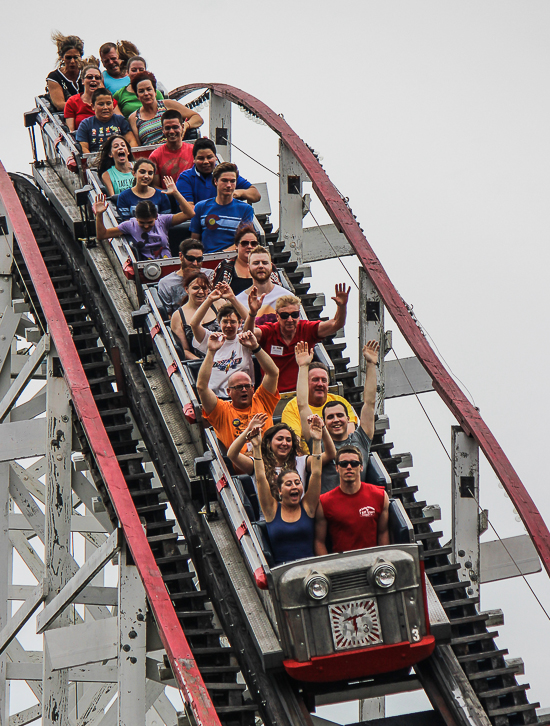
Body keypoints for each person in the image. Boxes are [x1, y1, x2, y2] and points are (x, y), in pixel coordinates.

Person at [295, 341, 379, 493]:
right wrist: (303, 367)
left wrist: (371, 365)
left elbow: (370, 403)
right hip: (328, 509)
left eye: (340, 415)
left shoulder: (360, 439)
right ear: (324, 422)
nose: (336, 420)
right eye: (330, 417)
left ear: (348, 419)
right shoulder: (318, 441)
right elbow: (302, 405)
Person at [244, 285, 350, 393]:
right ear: (277, 316)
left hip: (300, 394)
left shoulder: (306, 329)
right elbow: (249, 334)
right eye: (285, 315)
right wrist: (252, 313)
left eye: (294, 315)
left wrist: (342, 307)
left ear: (299, 315)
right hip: (272, 395)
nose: (290, 320)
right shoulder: (270, 330)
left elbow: (336, 324)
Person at [250, 415, 324, 566]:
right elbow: (260, 479)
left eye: (297, 483)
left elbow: (316, 473)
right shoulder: (271, 510)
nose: (294, 487)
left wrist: (316, 441)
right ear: (279, 490)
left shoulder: (308, 507)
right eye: (289, 484)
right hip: (282, 572)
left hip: (311, 569)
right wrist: (257, 448)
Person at [197, 331, 280, 452]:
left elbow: (273, 373)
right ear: (228, 392)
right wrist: (211, 351)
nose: (244, 390)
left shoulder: (262, 401)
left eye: (247, 386)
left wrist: (255, 347)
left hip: (271, 459)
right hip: (245, 466)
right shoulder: (221, 411)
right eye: (238, 387)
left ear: (253, 388)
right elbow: (202, 387)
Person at [228, 412, 335, 498]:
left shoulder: (301, 461)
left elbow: (331, 454)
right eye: (280, 439)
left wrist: (323, 428)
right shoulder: (257, 463)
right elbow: (232, 454)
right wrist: (249, 430)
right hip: (269, 518)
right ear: (269, 443)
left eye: (288, 440)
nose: (284, 443)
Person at [314, 445, 390, 555]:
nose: (349, 467)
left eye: (354, 464)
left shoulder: (380, 496)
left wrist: (383, 559)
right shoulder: (324, 502)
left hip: (372, 563)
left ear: (361, 467)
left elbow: (383, 533)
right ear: (337, 468)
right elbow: (319, 542)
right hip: (341, 564)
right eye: (344, 464)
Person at [93, 177, 194, 259]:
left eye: (150, 222)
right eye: (142, 222)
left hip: (167, 264)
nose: (146, 226)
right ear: (136, 218)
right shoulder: (130, 225)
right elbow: (103, 235)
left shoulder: (163, 220)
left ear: (156, 217)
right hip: (147, 269)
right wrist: (99, 214)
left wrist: (175, 193)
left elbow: (189, 214)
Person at [281, 358, 358, 443]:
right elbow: (295, 443)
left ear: (328, 385)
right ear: (305, 383)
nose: (320, 384)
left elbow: (349, 433)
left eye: (324, 380)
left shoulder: (340, 402)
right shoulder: (292, 407)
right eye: (315, 380)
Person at [191, 294, 252, 396]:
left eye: (232, 322)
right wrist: (209, 299)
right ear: (219, 323)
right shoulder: (213, 339)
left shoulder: (244, 340)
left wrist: (232, 298)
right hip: (216, 398)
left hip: (241, 395)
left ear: (239, 323)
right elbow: (194, 324)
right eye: (225, 322)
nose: (228, 326)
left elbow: (251, 323)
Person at [176, 139, 261, 210]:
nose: (206, 162)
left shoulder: (226, 173)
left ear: (216, 158)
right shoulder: (185, 178)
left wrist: (239, 192)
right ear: (194, 159)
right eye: (201, 158)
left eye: (209, 157)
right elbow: (188, 209)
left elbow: (256, 195)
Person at [190, 163, 255, 253]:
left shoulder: (245, 209)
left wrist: (223, 255)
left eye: (232, 181)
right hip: (206, 260)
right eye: (224, 180)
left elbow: (244, 241)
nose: (229, 185)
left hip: (233, 259)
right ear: (216, 181)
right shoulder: (201, 207)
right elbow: (194, 240)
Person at [128, 73, 203, 147]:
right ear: (137, 96)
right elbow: (138, 147)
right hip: (151, 156)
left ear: (155, 92)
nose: (146, 93)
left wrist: (186, 125)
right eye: (141, 91)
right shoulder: (134, 118)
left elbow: (197, 118)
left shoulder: (167, 105)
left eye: (149, 89)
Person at [170, 271, 222, 359]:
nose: (201, 292)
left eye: (204, 288)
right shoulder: (178, 316)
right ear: (187, 289)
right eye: (195, 288)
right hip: (199, 363)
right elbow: (184, 350)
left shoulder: (219, 304)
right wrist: (202, 363)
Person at [158, 239, 214, 316]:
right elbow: (168, 316)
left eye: (199, 259)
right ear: (181, 256)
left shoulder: (210, 275)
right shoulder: (166, 283)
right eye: (191, 259)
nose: (195, 263)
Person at [236, 246, 288, 324]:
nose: (260, 266)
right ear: (248, 267)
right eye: (256, 263)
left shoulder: (286, 297)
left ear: (271, 266)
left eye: (265, 263)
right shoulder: (238, 302)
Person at [76, 88, 137, 154]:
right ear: (93, 106)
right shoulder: (85, 124)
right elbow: (84, 149)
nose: (105, 107)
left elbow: (132, 142)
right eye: (101, 104)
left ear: (113, 105)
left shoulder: (121, 120)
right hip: (96, 160)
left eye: (108, 103)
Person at [149, 111, 195, 189]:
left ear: (182, 127)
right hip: (168, 198)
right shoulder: (155, 156)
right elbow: (155, 187)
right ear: (163, 130)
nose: (171, 131)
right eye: (167, 128)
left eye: (175, 127)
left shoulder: (194, 150)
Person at [64, 65, 117, 131]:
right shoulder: (72, 101)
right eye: (89, 77)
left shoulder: (109, 100)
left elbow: (120, 122)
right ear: (83, 81)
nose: (93, 80)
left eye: (97, 78)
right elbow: (70, 131)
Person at [212, 225, 256, 295]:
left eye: (253, 244)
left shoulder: (267, 266)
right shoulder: (225, 265)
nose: (249, 246)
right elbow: (214, 293)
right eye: (245, 243)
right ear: (236, 245)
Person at [46, 32, 84, 111]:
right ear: (62, 58)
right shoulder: (55, 77)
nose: (72, 61)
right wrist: (84, 108)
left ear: (80, 57)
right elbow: (60, 104)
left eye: (75, 57)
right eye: (68, 58)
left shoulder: (87, 73)